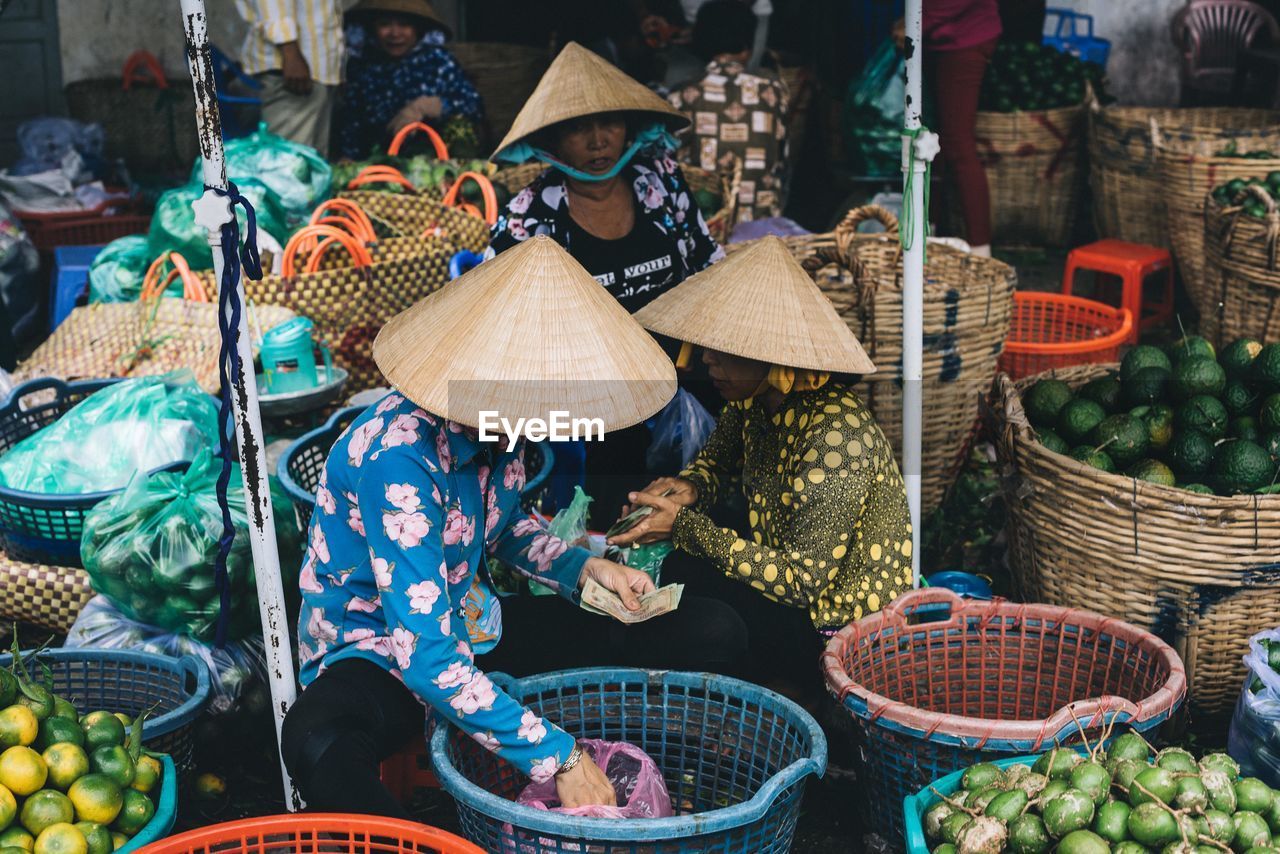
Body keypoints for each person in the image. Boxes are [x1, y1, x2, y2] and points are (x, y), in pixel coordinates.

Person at [281, 235, 746, 816]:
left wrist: (587, 570)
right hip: (378, 654)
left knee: (709, 629)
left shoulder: (506, 430)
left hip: (474, 628)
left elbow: (503, 528)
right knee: (315, 737)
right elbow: (424, 658)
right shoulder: (394, 459)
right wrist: (560, 758)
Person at [611, 235, 913, 703]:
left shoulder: (838, 439)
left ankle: (792, 695)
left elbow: (801, 581)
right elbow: (715, 462)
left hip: (834, 625)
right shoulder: (751, 401)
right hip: (784, 575)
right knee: (678, 568)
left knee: (708, 608)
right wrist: (690, 487)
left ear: (774, 358)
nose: (706, 358)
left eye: (725, 350)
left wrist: (687, 526)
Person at [486, 41, 725, 528]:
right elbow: (504, 327)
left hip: (680, 378)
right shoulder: (527, 218)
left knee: (708, 495)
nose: (598, 142)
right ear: (552, 140)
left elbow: (707, 269)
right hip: (589, 402)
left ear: (629, 127)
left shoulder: (659, 185)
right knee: (613, 517)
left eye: (609, 124)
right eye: (578, 128)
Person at [896, 1, 1002, 256]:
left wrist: (917, 21)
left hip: (963, 39)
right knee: (934, 142)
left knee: (958, 144)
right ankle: (925, 234)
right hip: (934, 38)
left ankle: (981, 251)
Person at [668, 0, 790, 222]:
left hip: (707, 223)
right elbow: (781, 156)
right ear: (747, 47)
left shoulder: (683, 94)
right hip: (762, 221)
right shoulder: (774, 90)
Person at [337, 0, 484, 160]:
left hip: (436, 159)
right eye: (384, 24)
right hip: (379, 158)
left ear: (418, 29)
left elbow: (474, 106)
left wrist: (425, 106)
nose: (395, 33)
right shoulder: (363, 65)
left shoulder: (437, 60)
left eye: (404, 25)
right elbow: (352, 120)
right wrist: (348, 158)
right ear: (372, 28)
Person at [232, 0, 344, 157]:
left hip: (315, 66)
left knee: (310, 164)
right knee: (287, 164)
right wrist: (289, 51)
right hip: (293, 65)